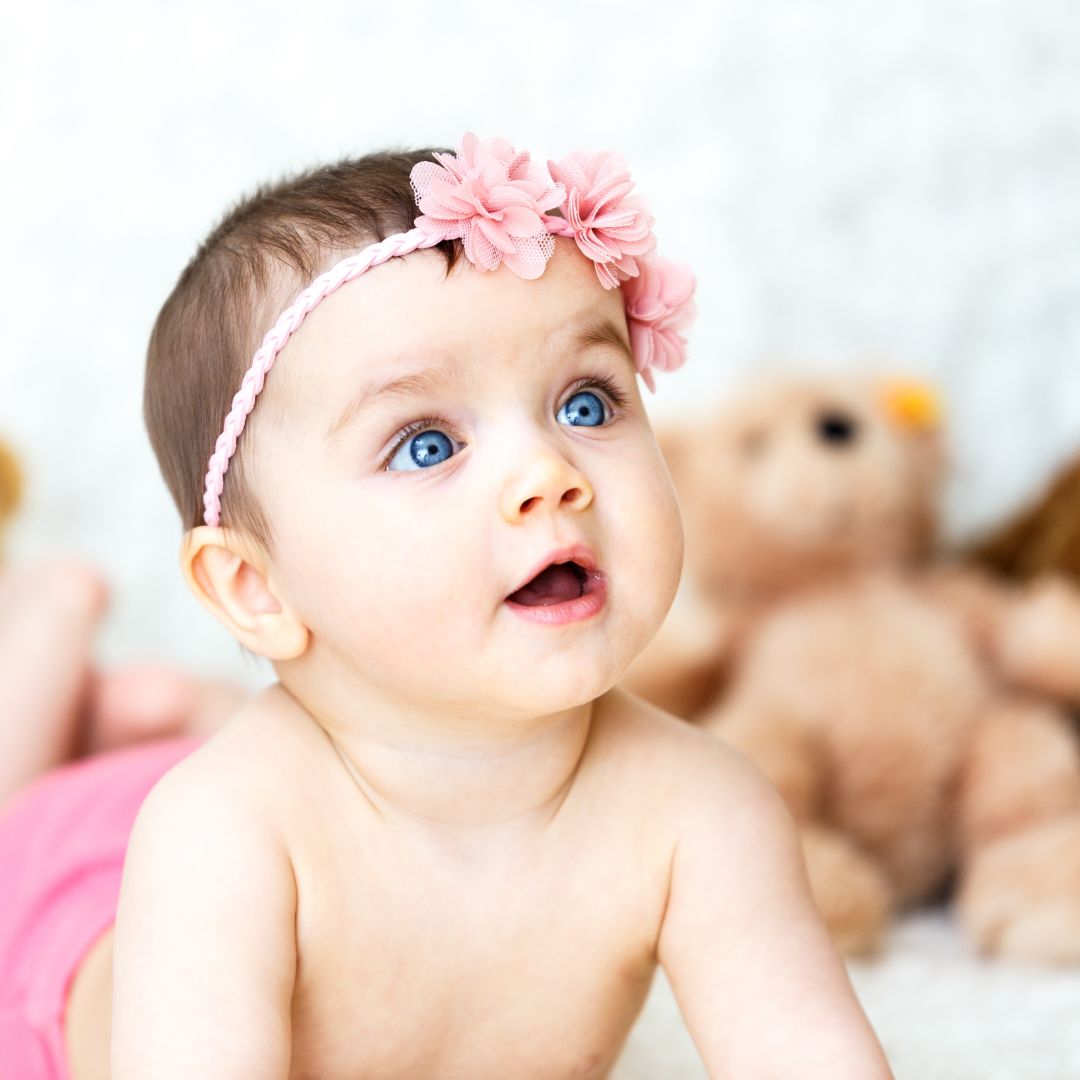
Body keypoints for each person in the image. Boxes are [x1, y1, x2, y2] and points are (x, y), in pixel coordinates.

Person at [2, 132, 894, 1079]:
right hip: (56, 905)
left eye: (586, 403)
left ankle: (164, 711)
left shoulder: (703, 811)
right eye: (426, 444)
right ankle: (49, 621)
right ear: (256, 587)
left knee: (248, 719)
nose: (548, 474)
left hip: (276, 736)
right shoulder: (217, 833)